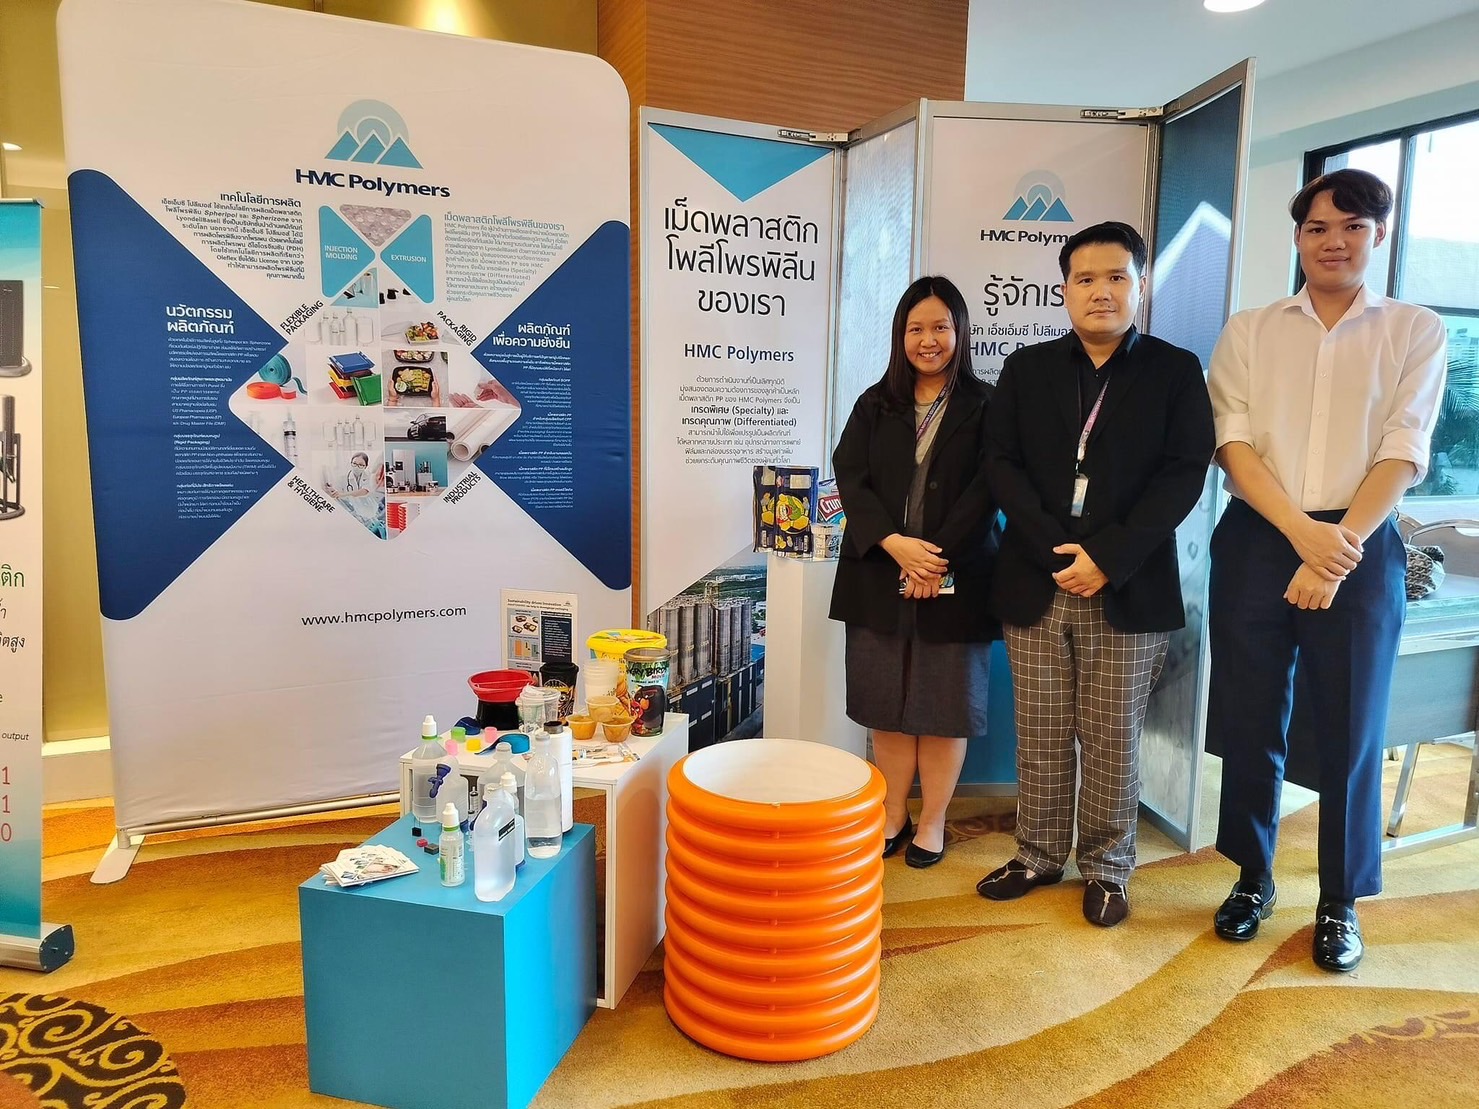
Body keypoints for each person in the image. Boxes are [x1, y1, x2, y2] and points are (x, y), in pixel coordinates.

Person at [1206, 169, 1446, 971]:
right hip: (1259, 531)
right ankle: (1251, 875)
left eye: (1351, 226)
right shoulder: (1250, 328)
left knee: (1350, 726)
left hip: (1360, 534)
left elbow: (1403, 448)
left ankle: (1339, 899)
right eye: (1316, 227)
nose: (1332, 241)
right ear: (1297, 236)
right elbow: (1232, 444)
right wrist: (1298, 533)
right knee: (1249, 716)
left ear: (1378, 233)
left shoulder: (1413, 329)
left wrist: (1335, 545)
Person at [977, 222, 1213, 926]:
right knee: (1041, 730)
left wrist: (1107, 557)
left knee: (1111, 738)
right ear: (1064, 290)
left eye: (1116, 277)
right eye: (1085, 279)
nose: (1100, 291)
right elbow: (999, 463)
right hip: (1038, 578)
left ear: (1140, 285)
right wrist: (1058, 551)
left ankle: (1108, 867)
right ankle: (1038, 853)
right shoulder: (1027, 368)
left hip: (1126, 583)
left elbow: (1183, 473)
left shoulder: (1174, 370)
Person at [829, 275, 1000, 868]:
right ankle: (893, 813)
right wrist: (895, 544)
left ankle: (933, 822)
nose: (929, 340)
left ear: (960, 331)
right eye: (916, 329)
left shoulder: (987, 405)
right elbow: (850, 476)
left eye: (940, 327)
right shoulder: (875, 404)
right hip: (879, 573)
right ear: (900, 337)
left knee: (945, 707)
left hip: (959, 574)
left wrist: (934, 558)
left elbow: (989, 488)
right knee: (887, 705)